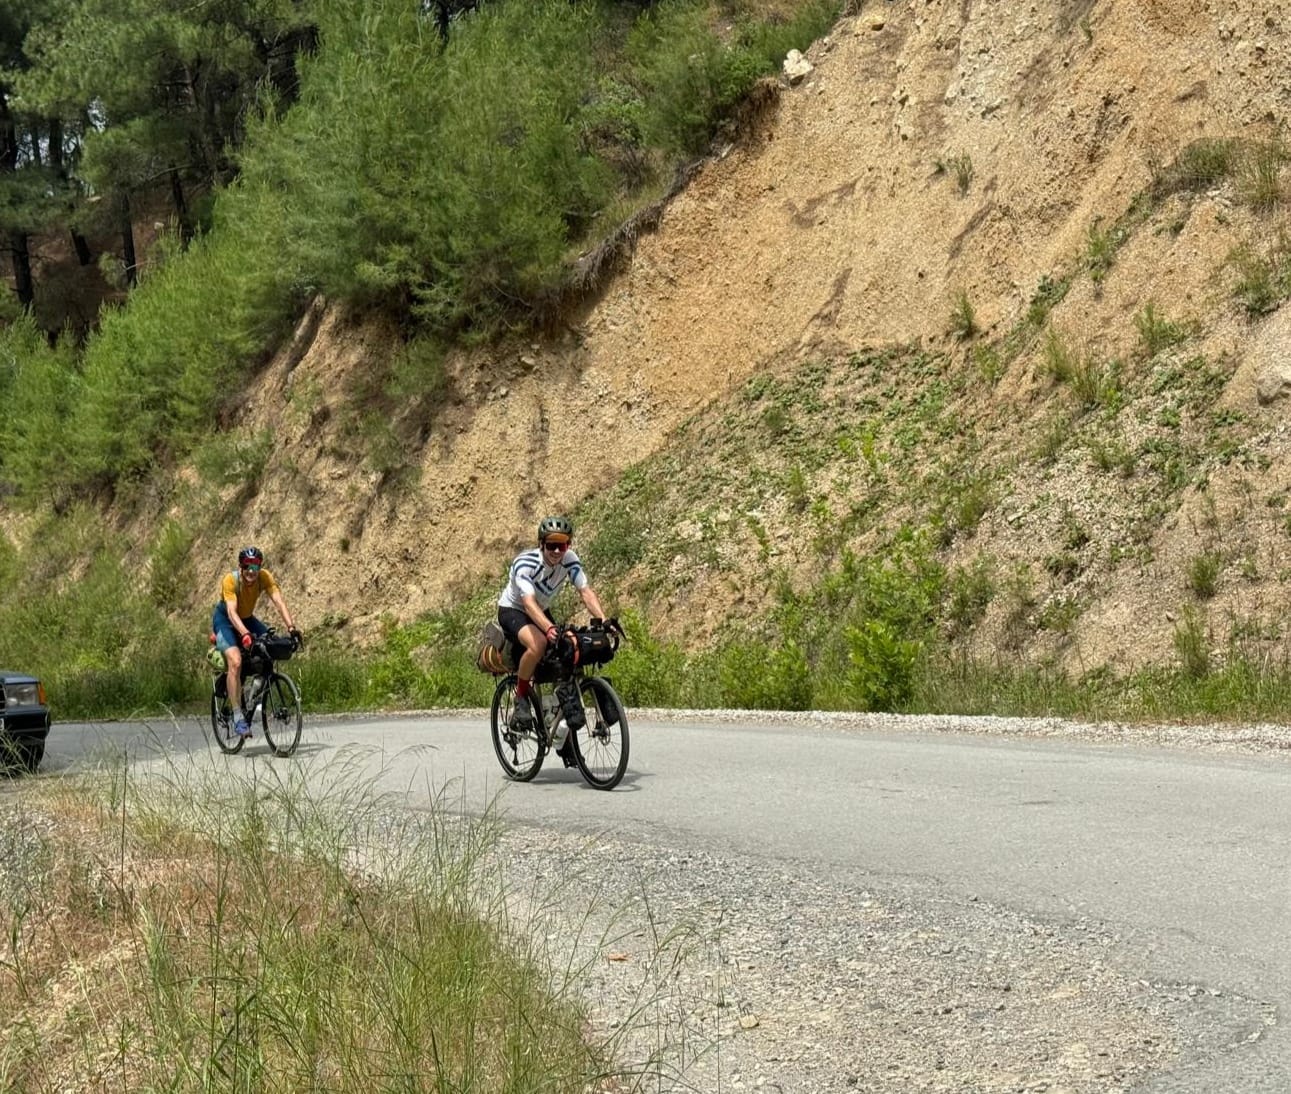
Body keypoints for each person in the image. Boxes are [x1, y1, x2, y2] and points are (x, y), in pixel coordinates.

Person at [497, 515, 608, 732]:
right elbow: (528, 604)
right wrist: (548, 629)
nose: (557, 551)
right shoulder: (526, 563)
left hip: (540, 608)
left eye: (563, 545)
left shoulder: (569, 559)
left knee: (567, 649)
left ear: (569, 545)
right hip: (514, 609)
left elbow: (585, 592)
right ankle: (520, 697)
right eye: (552, 545)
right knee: (538, 644)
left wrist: (604, 621)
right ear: (541, 545)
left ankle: (562, 730)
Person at [212, 546, 301, 738]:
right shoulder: (230, 580)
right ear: (241, 567)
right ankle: (237, 716)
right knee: (236, 661)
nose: (251, 571)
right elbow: (231, 612)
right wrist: (245, 634)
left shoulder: (264, 577)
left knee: (272, 644)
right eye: (247, 566)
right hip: (225, 620)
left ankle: (255, 692)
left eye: (255, 566)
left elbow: (279, 602)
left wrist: (292, 629)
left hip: (247, 618)